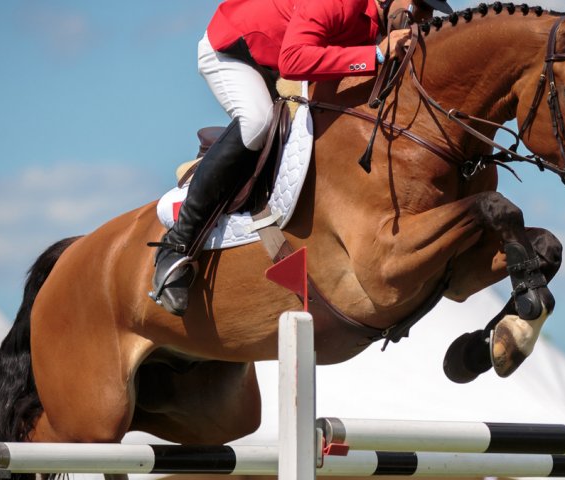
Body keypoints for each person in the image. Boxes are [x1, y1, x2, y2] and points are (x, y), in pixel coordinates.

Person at [150, 0, 454, 316]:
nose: (422, 19)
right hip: (233, 53)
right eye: (419, 7)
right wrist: (376, 54)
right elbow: (294, 61)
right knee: (257, 122)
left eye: (428, 12)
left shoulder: (377, 23)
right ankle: (176, 246)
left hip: (279, 57)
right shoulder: (339, 3)